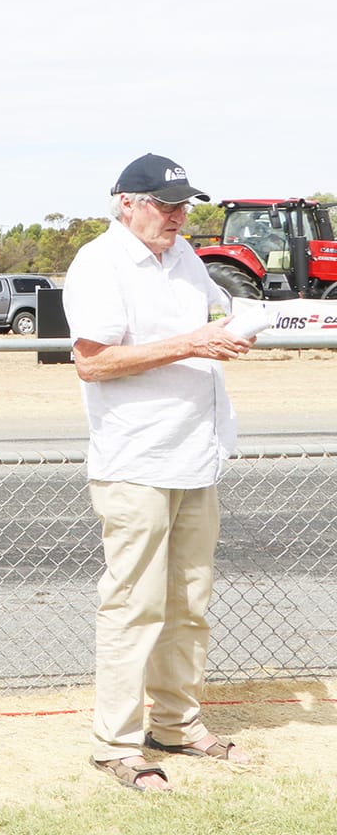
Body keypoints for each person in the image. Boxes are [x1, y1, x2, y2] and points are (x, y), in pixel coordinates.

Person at [63, 153, 255, 793]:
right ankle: (116, 744)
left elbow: (212, 320)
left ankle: (176, 723)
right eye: (164, 203)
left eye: (182, 204)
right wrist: (193, 343)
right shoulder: (100, 263)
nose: (177, 215)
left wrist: (239, 329)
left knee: (189, 603)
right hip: (135, 462)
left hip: (195, 457)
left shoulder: (188, 260)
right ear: (126, 202)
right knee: (134, 605)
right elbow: (92, 362)